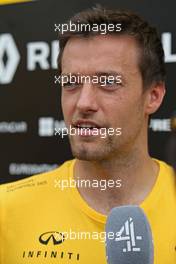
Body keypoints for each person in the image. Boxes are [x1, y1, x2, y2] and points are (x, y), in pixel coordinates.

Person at [0, 5, 176, 264]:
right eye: (71, 83)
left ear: (153, 96)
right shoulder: (7, 210)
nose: (83, 103)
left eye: (107, 82)